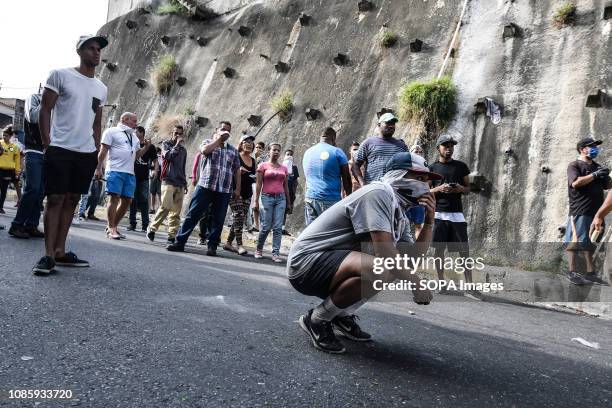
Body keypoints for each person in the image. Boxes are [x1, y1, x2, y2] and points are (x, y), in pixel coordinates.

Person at [288, 152, 439, 353]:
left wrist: (429, 222)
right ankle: (317, 319)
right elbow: (386, 254)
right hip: (306, 264)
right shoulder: (378, 193)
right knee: (383, 267)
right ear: (398, 175)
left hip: (332, 265)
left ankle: (339, 314)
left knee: (394, 268)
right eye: (419, 179)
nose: (425, 187)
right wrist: (417, 284)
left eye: (427, 181)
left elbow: (410, 263)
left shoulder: (399, 212)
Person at [32, 35, 108, 274]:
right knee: (55, 199)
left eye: (99, 49)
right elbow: (45, 109)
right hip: (60, 148)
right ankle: (47, 256)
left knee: (73, 200)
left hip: (86, 152)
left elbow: (97, 122)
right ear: (80, 51)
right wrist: (47, 143)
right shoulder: (60, 75)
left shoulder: (101, 87)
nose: (96, 53)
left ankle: (60, 251)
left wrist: (96, 150)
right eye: (91, 48)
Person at [166, 121, 240, 256]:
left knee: (218, 219)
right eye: (223, 129)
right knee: (193, 214)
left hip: (224, 189)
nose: (225, 132)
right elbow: (205, 151)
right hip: (205, 186)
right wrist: (218, 140)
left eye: (228, 131)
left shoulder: (233, 150)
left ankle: (212, 246)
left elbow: (236, 170)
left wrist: (237, 189)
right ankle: (180, 242)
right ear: (216, 130)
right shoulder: (207, 142)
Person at [95, 112, 149, 239]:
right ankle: (111, 228)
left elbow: (136, 156)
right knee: (114, 198)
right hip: (114, 170)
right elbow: (103, 151)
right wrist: (98, 168)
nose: (136, 123)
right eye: (134, 121)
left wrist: (146, 147)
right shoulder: (111, 131)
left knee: (127, 201)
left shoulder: (134, 137)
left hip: (129, 172)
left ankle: (112, 226)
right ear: (125, 119)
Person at [428, 135, 472, 289]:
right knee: (439, 250)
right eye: (445, 146)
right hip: (439, 214)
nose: (449, 148)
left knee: (464, 251)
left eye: (451, 146)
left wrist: (460, 189)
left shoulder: (461, 167)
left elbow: (468, 188)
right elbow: (427, 191)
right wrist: (439, 188)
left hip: (457, 214)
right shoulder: (432, 168)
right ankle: (441, 282)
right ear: (438, 148)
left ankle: (470, 284)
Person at [564, 137, 610, 285]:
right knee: (575, 239)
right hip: (580, 209)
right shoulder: (574, 165)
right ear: (582, 149)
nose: (595, 149)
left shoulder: (598, 167)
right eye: (592, 146)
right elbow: (576, 183)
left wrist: (606, 176)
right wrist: (594, 175)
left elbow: (608, 187)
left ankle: (590, 273)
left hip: (596, 211)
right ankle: (571, 271)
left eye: (595, 146)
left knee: (589, 242)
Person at [9, 93, 45, 238]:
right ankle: (17, 225)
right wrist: (48, 103)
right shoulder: (36, 98)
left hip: (48, 152)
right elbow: (33, 117)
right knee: (32, 189)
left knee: (41, 192)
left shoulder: (60, 103)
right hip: (34, 149)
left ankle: (31, 225)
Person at [147, 125, 188, 244]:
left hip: (179, 182)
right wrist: (176, 145)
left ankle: (171, 235)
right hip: (168, 180)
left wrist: (185, 183)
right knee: (165, 206)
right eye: (176, 133)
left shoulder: (183, 150)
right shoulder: (165, 145)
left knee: (176, 212)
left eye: (180, 134)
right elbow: (168, 156)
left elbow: (182, 168)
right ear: (172, 133)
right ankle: (152, 228)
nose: (178, 136)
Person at [303, 127, 352, 225]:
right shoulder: (337, 151)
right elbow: (346, 178)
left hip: (310, 198)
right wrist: (349, 198)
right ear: (334, 139)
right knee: (329, 234)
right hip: (329, 199)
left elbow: (307, 177)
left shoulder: (308, 152)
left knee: (312, 233)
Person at [253, 143, 291, 262]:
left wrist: (288, 202)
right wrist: (256, 201)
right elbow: (258, 184)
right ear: (268, 151)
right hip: (266, 197)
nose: (276, 152)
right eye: (274, 150)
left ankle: (275, 253)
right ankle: (259, 249)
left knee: (278, 227)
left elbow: (286, 187)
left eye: (278, 150)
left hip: (281, 199)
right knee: (266, 226)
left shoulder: (284, 168)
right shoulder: (263, 166)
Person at [351, 112, 408, 186]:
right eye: (388, 123)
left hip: (395, 192)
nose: (391, 126)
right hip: (373, 191)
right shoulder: (368, 143)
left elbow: (408, 169)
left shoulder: (402, 146)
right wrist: (362, 184)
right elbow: (355, 166)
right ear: (379, 125)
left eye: (393, 123)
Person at [223, 134, 256, 255]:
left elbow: (254, 177)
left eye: (251, 143)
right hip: (234, 191)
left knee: (240, 219)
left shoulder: (253, 161)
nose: (249, 144)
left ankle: (228, 243)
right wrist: (238, 170)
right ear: (241, 144)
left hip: (247, 193)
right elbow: (227, 170)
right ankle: (239, 245)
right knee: (238, 215)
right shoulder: (236, 156)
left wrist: (256, 178)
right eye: (245, 142)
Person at [128, 126, 157, 232]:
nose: (134, 133)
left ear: (142, 133)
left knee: (144, 200)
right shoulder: (132, 144)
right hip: (132, 175)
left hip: (144, 177)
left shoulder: (150, 146)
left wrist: (155, 170)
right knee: (132, 200)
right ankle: (132, 223)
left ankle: (145, 225)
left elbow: (155, 160)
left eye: (136, 132)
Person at [190, 151, 212, 245]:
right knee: (204, 213)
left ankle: (210, 236)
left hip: (215, 189)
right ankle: (202, 236)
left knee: (212, 213)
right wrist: (194, 177)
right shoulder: (200, 154)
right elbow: (195, 167)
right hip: (202, 186)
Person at [0, 126, 21, 214]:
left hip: (8, 171)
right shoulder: (0, 144)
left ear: (10, 136)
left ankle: (0, 207)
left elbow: (17, 160)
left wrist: (17, 171)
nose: (4, 137)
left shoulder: (15, 147)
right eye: (3, 135)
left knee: (4, 190)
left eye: (6, 136)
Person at [282, 149, 299, 235]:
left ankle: (282, 228)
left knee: (285, 210)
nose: (289, 156)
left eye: (290, 155)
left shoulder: (294, 168)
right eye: (287, 154)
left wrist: (294, 193)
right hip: (280, 192)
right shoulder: (280, 166)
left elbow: (295, 181)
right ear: (284, 156)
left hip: (290, 193)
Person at [149, 146, 162, 213]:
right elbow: (149, 166)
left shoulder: (162, 158)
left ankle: (160, 209)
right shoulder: (152, 158)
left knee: (159, 193)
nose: (159, 154)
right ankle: (152, 208)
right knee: (153, 193)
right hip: (153, 177)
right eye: (158, 153)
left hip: (160, 178)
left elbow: (162, 166)